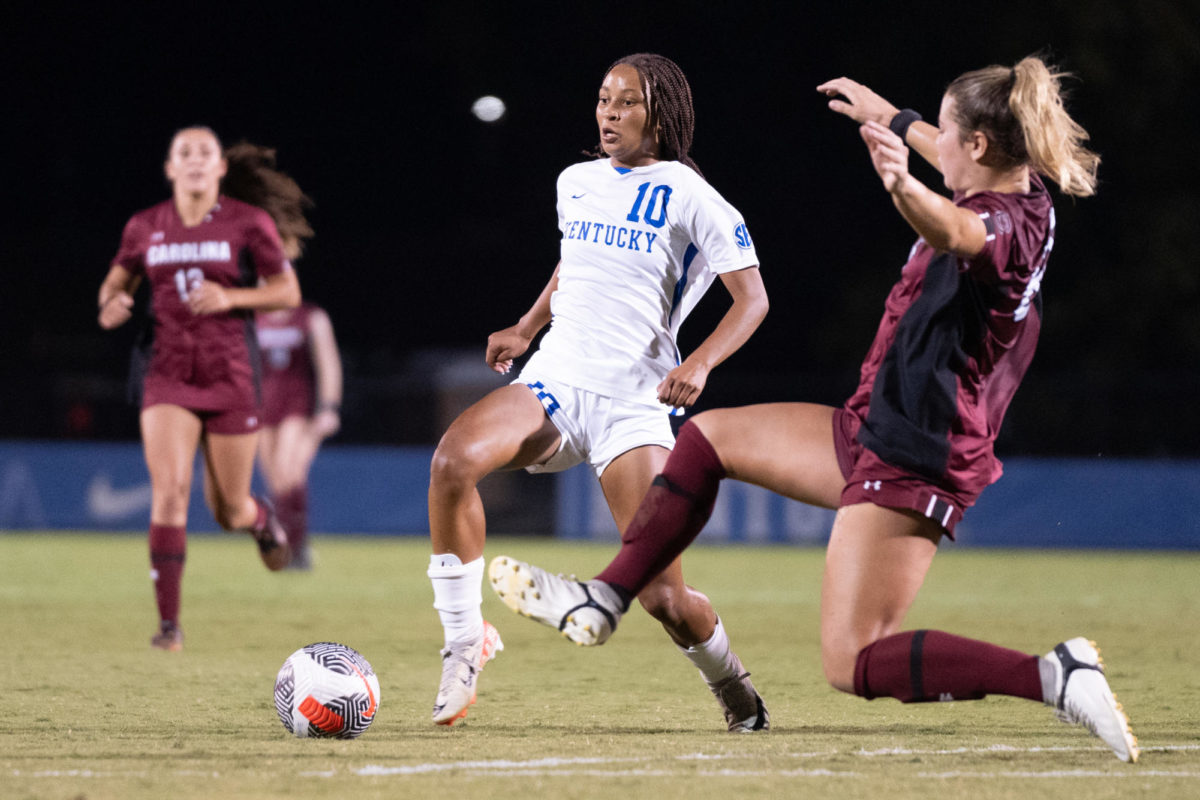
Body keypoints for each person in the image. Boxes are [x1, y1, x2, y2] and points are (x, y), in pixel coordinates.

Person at [490, 57, 1139, 762]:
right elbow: (946, 162)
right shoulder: (1024, 188)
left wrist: (899, 185)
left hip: (918, 447)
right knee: (707, 440)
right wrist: (887, 115)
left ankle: (1055, 675)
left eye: (945, 135)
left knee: (854, 661)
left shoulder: (1001, 227)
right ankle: (605, 600)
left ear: (978, 147)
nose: (934, 144)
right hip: (877, 421)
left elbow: (959, 232)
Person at [429, 53, 771, 729]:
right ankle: (466, 641)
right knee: (452, 462)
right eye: (603, 101)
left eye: (626, 104)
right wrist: (528, 326)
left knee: (663, 599)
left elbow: (752, 299)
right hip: (555, 380)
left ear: (660, 115)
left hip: (634, 404)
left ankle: (732, 684)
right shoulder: (576, 181)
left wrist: (699, 364)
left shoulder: (690, 194)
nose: (609, 115)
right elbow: (576, 259)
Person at [98, 129, 312, 652]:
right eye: (184, 153)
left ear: (220, 168)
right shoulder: (145, 226)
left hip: (231, 374)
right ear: (170, 169)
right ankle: (169, 627)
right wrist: (111, 304)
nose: (195, 160)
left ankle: (260, 520)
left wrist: (229, 296)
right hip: (166, 373)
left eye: (204, 153)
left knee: (228, 510)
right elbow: (115, 284)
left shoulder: (247, 222)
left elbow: (287, 290)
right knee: (170, 492)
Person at [256, 300, 343, 569]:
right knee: (275, 482)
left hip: (297, 408)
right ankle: (291, 547)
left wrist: (329, 407)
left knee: (289, 472)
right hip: (260, 407)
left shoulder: (311, 317)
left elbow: (328, 362)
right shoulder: (252, 316)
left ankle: (295, 549)